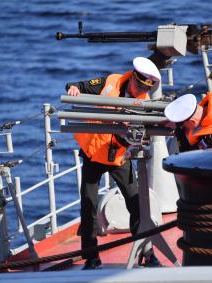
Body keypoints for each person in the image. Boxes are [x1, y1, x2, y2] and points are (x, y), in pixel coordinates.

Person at [65, 57, 161, 270]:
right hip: (92, 153)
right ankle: (91, 256)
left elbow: (135, 138)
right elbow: (81, 86)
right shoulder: (110, 82)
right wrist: (73, 88)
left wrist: (122, 131)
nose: (138, 90)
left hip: (118, 157)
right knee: (88, 205)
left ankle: (147, 253)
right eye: (137, 84)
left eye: (144, 88)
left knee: (136, 203)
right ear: (132, 78)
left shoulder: (143, 106)